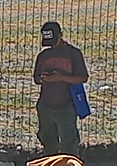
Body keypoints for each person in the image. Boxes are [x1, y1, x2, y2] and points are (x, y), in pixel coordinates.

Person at [32, 21, 88, 157]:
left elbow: (83, 77)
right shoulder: (43, 56)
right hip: (46, 105)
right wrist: (44, 78)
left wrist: (61, 77)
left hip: (66, 105)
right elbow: (36, 79)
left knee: (69, 142)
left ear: (61, 35)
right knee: (48, 140)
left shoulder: (73, 53)